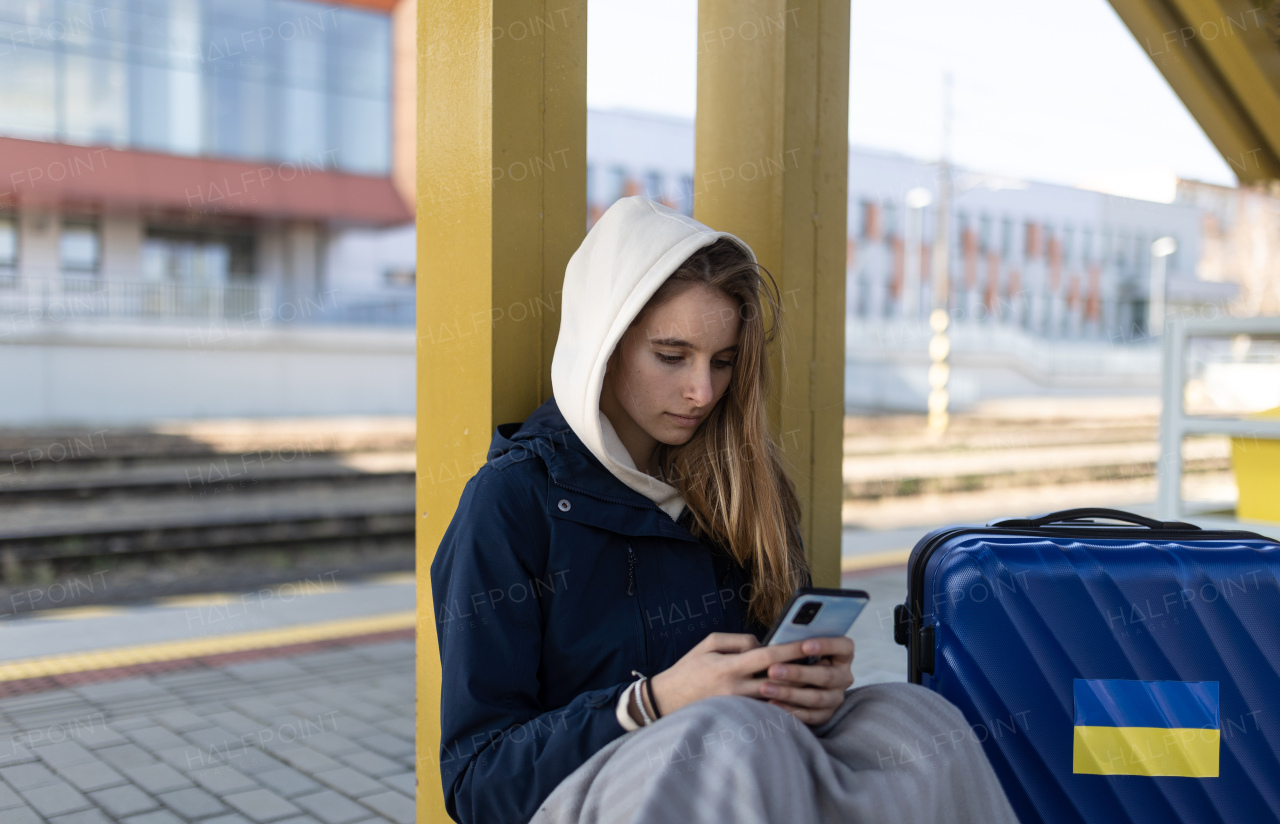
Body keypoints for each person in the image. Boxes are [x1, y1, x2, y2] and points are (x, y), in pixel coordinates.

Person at [430, 196, 1018, 824]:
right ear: (604, 344)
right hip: (597, 789)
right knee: (730, 738)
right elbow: (477, 784)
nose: (702, 392)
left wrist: (808, 685)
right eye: (672, 356)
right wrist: (649, 703)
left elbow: (766, 682)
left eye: (724, 362)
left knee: (916, 721)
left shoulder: (744, 489)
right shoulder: (513, 502)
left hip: (747, 767)